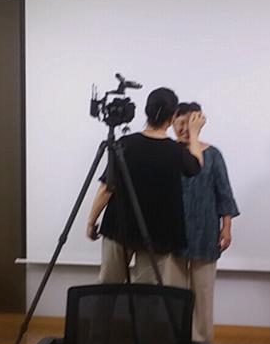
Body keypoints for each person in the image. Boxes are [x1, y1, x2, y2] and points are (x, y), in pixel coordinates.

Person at [86, 87, 205, 287]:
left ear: (146, 111)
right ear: (172, 117)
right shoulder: (175, 151)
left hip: (120, 226)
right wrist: (194, 133)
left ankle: (104, 310)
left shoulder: (124, 144)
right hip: (158, 234)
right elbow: (195, 166)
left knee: (108, 286)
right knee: (147, 292)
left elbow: (107, 188)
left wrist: (91, 221)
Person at [172, 102, 240, 343]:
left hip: (205, 231)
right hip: (173, 233)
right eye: (179, 123)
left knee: (203, 291)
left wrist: (226, 228)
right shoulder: (169, 152)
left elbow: (224, 193)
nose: (183, 128)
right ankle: (175, 340)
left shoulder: (213, 154)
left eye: (188, 123)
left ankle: (200, 342)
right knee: (173, 291)